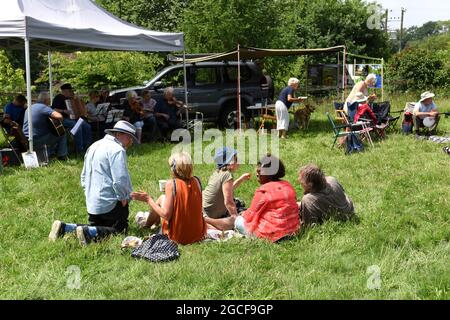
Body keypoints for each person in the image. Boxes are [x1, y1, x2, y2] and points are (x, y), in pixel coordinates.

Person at [48, 120, 138, 246]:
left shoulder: (94, 146)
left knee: (98, 226)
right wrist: (124, 197)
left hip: (92, 202)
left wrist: (89, 193)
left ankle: (65, 228)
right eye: (130, 137)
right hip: (110, 203)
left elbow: (83, 176)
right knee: (121, 231)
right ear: (119, 135)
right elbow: (120, 179)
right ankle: (87, 232)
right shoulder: (117, 150)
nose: (131, 142)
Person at [131, 152, 207, 245]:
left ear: (174, 168)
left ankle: (147, 225)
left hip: (177, 237)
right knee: (162, 198)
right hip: (198, 235)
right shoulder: (197, 181)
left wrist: (148, 199)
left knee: (161, 199)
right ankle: (149, 224)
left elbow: (166, 215)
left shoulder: (171, 183)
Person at [234, 154, 300, 242]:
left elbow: (249, 216)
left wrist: (242, 214)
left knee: (238, 220)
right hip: (293, 231)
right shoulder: (288, 185)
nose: (257, 174)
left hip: (272, 236)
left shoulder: (263, 191)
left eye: (259, 171)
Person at [202, 147, 251, 230]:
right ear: (229, 162)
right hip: (211, 213)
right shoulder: (227, 175)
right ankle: (209, 222)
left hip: (204, 207)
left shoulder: (218, 173)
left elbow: (228, 190)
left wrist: (241, 179)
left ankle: (206, 221)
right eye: (236, 159)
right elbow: (228, 202)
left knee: (238, 203)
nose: (238, 162)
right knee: (234, 218)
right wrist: (236, 220)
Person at [23, 92, 68, 160]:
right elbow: (59, 116)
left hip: (26, 137)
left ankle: (51, 153)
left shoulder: (30, 107)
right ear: (46, 100)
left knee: (51, 133)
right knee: (62, 134)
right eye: (49, 99)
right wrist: (58, 121)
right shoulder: (43, 107)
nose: (50, 101)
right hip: (37, 138)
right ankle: (62, 155)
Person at [52, 83, 92, 154]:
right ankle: (79, 149)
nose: (71, 92)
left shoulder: (71, 99)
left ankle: (87, 147)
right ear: (64, 91)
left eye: (71, 91)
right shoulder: (58, 98)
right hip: (63, 119)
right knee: (77, 127)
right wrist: (64, 111)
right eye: (69, 91)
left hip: (73, 118)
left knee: (87, 126)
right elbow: (53, 109)